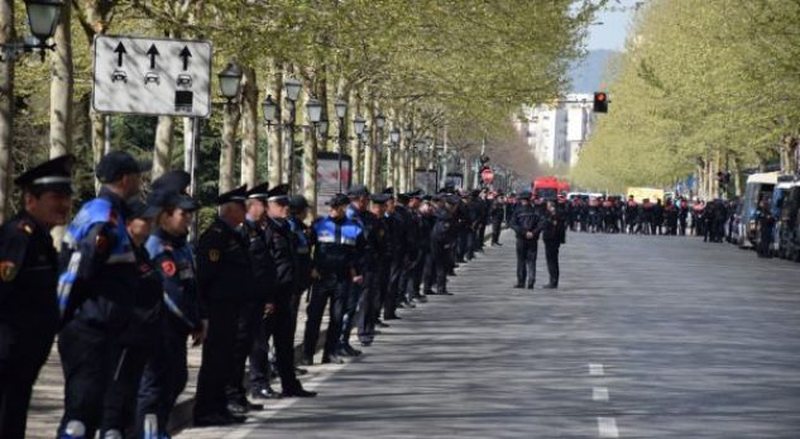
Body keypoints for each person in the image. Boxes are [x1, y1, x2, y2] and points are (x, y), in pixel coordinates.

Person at [56, 151, 150, 438]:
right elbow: (80, 272)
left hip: (102, 327)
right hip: (90, 329)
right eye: (137, 175)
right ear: (125, 179)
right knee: (80, 415)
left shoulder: (106, 213)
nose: (140, 181)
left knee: (91, 411)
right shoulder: (104, 219)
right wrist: (66, 319)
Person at [0, 155, 73, 439]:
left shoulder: (40, 239)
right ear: (31, 200)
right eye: (55, 197)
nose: (64, 205)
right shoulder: (18, 237)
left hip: (23, 355)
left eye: (67, 197)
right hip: (8, 351)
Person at [138, 171, 205, 434]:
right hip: (160, 325)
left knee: (176, 379)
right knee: (153, 386)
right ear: (165, 215)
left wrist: (199, 319)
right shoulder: (156, 245)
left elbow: (191, 287)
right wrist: (193, 321)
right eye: (182, 214)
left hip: (176, 329)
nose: (188, 218)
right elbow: (171, 292)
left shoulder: (180, 246)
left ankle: (160, 428)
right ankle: (149, 432)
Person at [193, 185, 252, 426]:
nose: (245, 212)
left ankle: (219, 407)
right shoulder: (216, 236)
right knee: (214, 362)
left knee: (225, 360)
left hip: (231, 308)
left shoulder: (233, 235)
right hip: (217, 309)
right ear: (230, 210)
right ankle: (205, 410)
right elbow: (205, 277)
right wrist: (203, 312)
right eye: (242, 208)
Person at [261, 185, 316, 397]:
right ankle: (261, 383)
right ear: (269, 207)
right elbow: (263, 266)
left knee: (285, 343)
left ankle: (289, 384)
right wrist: (266, 297)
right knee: (261, 344)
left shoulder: (287, 229)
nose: (286, 209)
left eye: (287, 205)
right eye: (281, 205)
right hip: (270, 297)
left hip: (287, 294)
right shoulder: (267, 230)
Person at [226, 183, 272, 413]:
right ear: (252, 206)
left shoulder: (257, 231)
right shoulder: (242, 232)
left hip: (256, 299)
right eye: (263, 204)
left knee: (255, 347)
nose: (266, 209)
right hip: (242, 302)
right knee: (238, 351)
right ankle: (234, 394)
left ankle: (247, 390)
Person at [303, 194, 365, 365]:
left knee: (337, 317)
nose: (331, 210)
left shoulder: (355, 228)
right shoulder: (318, 225)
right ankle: (307, 354)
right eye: (330, 207)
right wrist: (311, 268)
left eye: (335, 207)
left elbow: (359, 253)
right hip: (321, 278)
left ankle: (330, 353)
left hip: (342, 279)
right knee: (314, 317)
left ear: (343, 208)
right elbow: (306, 248)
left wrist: (356, 272)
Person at [357, 193, 390, 346]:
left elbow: (381, 242)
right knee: (364, 299)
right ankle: (363, 331)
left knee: (371, 297)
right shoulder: (355, 219)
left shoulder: (373, 219)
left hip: (374, 263)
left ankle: (368, 328)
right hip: (360, 264)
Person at [509, 191, 542, 289]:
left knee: (521, 260)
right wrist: (533, 233)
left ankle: (521, 281)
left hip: (521, 238)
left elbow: (512, 224)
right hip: (533, 239)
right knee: (531, 260)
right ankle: (531, 280)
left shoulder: (517, 211)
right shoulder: (536, 211)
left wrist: (523, 232)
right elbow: (542, 223)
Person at [542, 201, 561, 289]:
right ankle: (553, 280)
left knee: (552, 262)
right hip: (550, 240)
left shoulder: (555, 216)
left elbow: (554, 229)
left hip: (552, 241)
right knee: (552, 261)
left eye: (548, 206)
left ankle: (553, 281)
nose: (547, 207)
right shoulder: (551, 215)